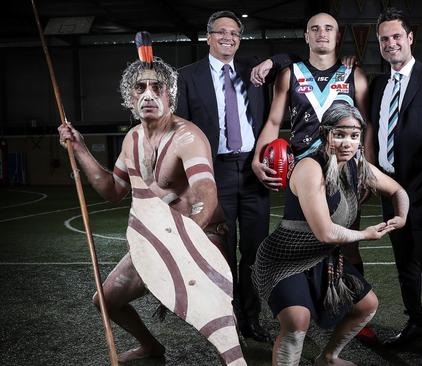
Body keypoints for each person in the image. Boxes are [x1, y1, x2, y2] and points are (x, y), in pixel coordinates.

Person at [58, 57, 224, 362]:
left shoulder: (188, 137)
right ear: (131, 97)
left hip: (200, 237)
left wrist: (185, 242)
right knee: (106, 300)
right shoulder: (132, 139)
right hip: (158, 241)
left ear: (169, 96)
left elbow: (207, 197)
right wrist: (80, 148)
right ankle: (151, 347)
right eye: (140, 87)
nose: (148, 94)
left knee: (211, 318)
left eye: (156, 87)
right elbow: (113, 190)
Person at [250, 12, 377, 343]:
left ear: (338, 36)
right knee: (303, 239)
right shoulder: (290, 75)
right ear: (306, 36)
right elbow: (274, 120)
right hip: (303, 174)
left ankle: (351, 314)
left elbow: (368, 128)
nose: (322, 33)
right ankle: (298, 305)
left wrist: (367, 169)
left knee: (348, 246)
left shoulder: (355, 75)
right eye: (315, 29)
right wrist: (256, 159)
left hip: (345, 174)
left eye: (329, 28)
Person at [252, 103, 409, 365]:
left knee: (366, 305)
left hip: (324, 258)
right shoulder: (310, 168)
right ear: (326, 134)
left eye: (354, 135)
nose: (347, 142)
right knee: (296, 322)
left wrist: (401, 217)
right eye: (340, 134)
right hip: (285, 258)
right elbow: (325, 232)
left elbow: (398, 191)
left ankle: (329, 357)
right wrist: (365, 235)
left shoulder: (358, 165)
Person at [176, 10, 297, 343]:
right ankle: (227, 315)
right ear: (209, 36)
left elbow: (294, 58)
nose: (228, 37)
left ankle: (251, 317)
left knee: (255, 250)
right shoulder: (187, 76)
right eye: (221, 32)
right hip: (213, 171)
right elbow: (181, 130)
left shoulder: (252, 70)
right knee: (221, 249)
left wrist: (272, 62)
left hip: (253, 170)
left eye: (234, 33)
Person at [366, 7, 422, 365]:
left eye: (395, 37)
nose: (390, 43)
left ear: (409, 38)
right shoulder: (378, 84)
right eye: (384, 39)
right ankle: (415, 324)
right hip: (390, 188)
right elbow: (374, 129)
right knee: (403, 261)